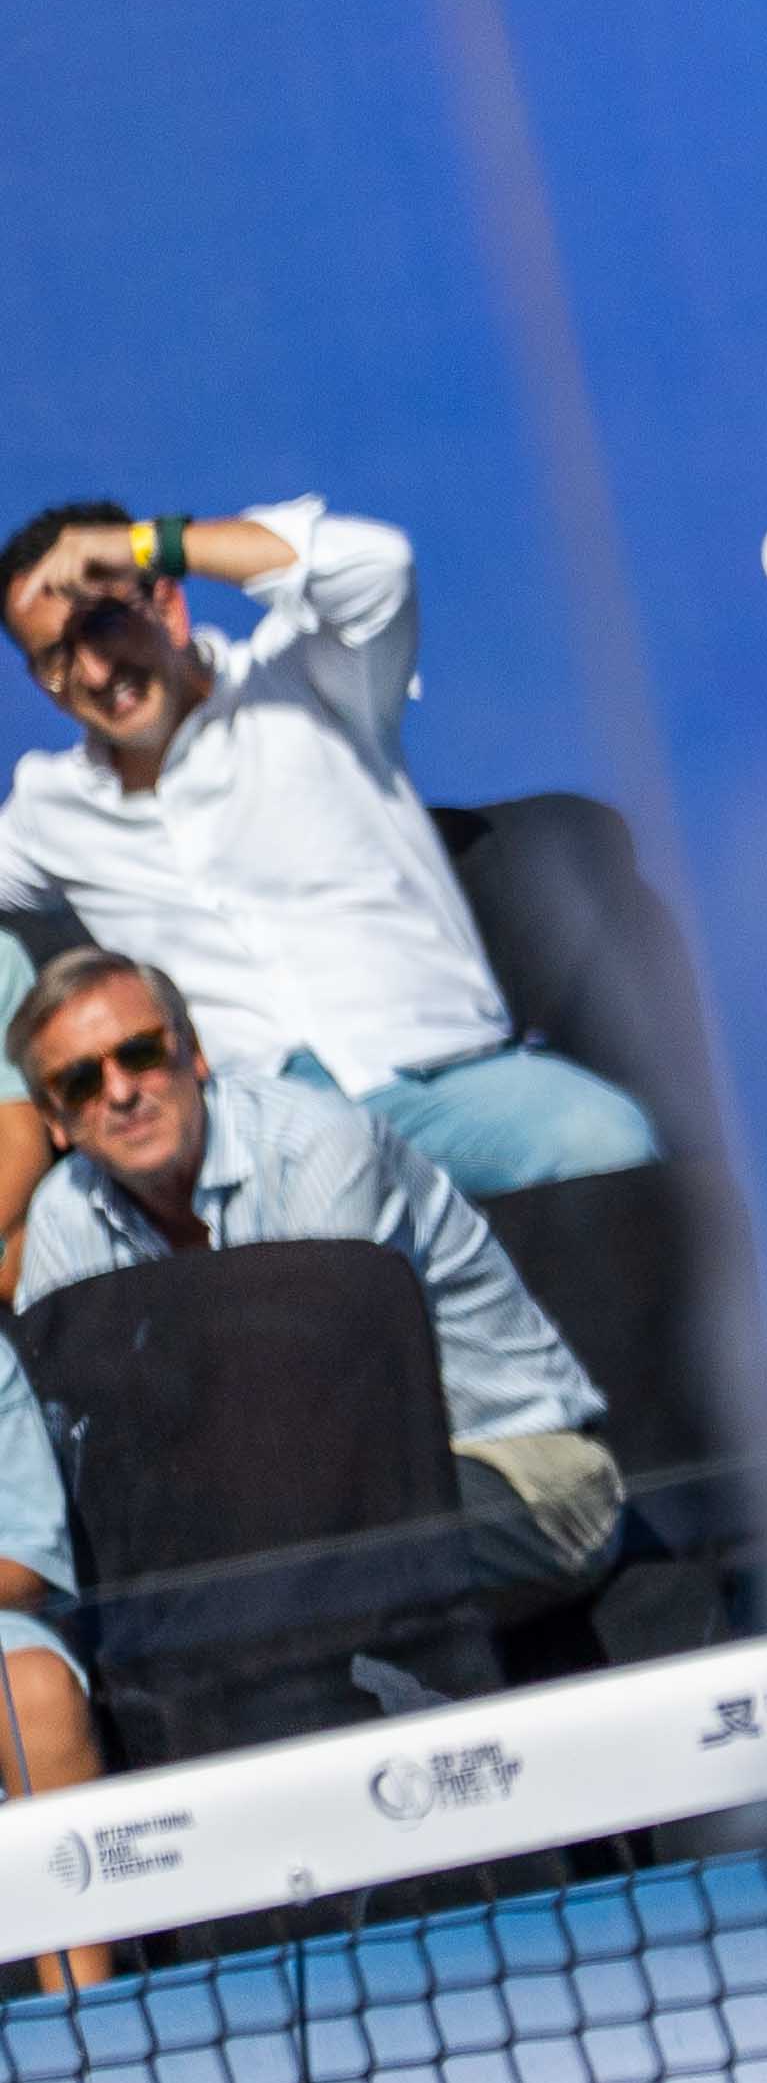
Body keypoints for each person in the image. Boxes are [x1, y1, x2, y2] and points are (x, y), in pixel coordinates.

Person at [0, 499, 656, 1196]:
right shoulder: (48, 810)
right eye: (56, 657)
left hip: (440, 1082)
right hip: (262, 1144)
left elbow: (377, 567)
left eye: (103, 626)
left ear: (166, 605)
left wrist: (141, 545)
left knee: (605, 1139)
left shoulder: (305, 680)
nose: (94, 672)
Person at [1, 949, 625, 1637]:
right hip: (285, 1522)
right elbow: (78, 1435)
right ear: (54, 1120)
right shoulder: (63, 1216)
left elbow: (325, 1406)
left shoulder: (318, 1144)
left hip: (515, 1468)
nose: (120, 1092)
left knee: (289, 1561)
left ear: (195, 1053)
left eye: (141, 1053)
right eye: (80, 1081)